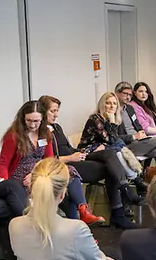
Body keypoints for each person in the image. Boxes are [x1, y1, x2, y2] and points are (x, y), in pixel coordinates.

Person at [40, 95, 141, 229]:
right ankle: (121, 207)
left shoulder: (57, 127)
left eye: (57, 111)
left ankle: (123, 198)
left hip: (75, 157)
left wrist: (79, 153)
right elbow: (46, 160)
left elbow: (69, 149)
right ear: (42, 111)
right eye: (53, 111)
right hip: (65, 164)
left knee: (110, 155)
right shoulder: (42, 132)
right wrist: (72, 157)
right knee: (110, 166)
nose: (56, 115)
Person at [0, 101, 103, 226]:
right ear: (22, 118)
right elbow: (3, 164)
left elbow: (49, 159)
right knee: (62, 195)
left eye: (36, 121)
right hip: (22, 177)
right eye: (29, 120)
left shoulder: (45, 134)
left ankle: (83, 210)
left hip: (42, 171)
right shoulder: (14, 136)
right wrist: (5, 186)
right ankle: (78, 228)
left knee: (69, 172)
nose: (32, 125)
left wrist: (36, 174)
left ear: (42, 119)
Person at [112, 82, 156, 171]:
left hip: (138, 142)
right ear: (117, 93)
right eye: (125, 94)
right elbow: (114, 137)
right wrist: (133, 137)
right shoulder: (113, 112)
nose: (128, 97)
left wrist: (142, 133)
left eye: (130, 94)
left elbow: (138, 125)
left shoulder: (129, 108)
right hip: (125, 145)